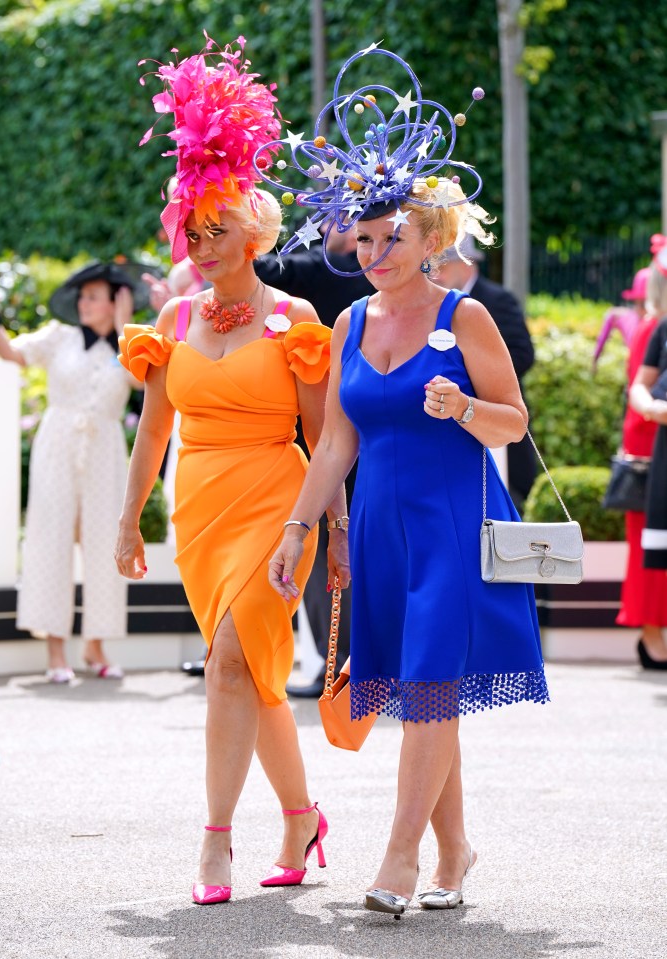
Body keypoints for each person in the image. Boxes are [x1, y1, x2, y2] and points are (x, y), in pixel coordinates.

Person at [260, 45, 548, 917]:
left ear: (432, 240)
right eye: (366, 237)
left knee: (427, 678)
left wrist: (462, 404)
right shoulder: (348, 320)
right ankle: (454, 848)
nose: (376, 251)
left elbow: (515, 420)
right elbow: (337, 442)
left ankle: (398, 852)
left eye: (394, 238)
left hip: (454, 519)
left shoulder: (465, 315)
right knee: (422, 689)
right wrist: (299, 528)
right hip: (381, 525)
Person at [113, 36, 349, 906]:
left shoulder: (295, 319)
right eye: (192, 231)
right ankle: (302, 817)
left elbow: (327, 441)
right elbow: (151, 434)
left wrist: (332, 532)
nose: (204, 244)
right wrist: (127, 519)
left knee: (224, 664)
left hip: (275, 502)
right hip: (199, 505)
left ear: (254, 230)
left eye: (219, 231)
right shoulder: (171, 319)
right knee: (248, 672)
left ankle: (214, 842)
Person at [0, 260, 151, 682]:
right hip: (57, 444)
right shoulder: (58, 337)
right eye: (82, 296)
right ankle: (55, 654)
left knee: (106, 542)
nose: (84, 303)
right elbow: (12, 352)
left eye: (94, 296)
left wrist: (124, 326)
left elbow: (143, 379)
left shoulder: (129, 344)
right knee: (51, 539)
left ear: (116, 301)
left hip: (104, 450)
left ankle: (96, 647)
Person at [255, 226, 373, 696]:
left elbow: (261, 268)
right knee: (333, 554)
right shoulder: (370, 275)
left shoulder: (323, 271)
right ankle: (342, 668)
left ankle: (342, 670)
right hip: (338, 433)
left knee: (335, 554)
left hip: (337, 436)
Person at [431, 237, 536, 511]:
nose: (435, 273)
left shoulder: (496, 300)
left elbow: (523, 354)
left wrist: (475, 373)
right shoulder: (431, 306)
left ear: (466, 263)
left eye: (442, 265)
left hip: (494, 422)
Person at [628, 243, 667, 669]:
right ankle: (651, 633)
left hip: (648, 440)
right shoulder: (655, 329)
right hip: (653, 444)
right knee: (651, 553)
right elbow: (639, 386)